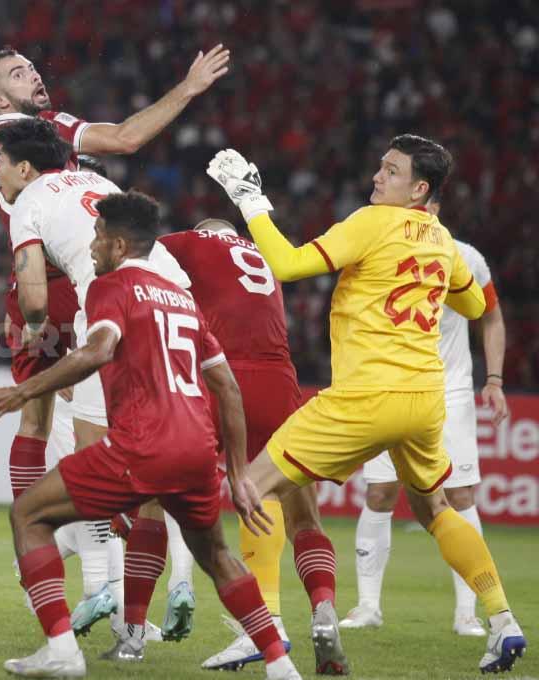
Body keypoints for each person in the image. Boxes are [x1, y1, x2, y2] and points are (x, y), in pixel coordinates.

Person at [205, 135, 526, 674]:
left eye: (392, 171)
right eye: (380, 167)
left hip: (365, 396)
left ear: (419, 188)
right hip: (424, 402)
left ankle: (262, 632)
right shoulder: (444, 241)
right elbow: (475, 304)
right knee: (435, 509)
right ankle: (502, 621)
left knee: (251, 490)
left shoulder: (369, 222)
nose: (378, 177)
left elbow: (285, 264)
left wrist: (249, 199)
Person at [0, 43, 228, 639]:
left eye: (34, 66)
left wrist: (2, 210)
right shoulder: (51, 133)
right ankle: (163, 578)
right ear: (0, 98)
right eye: (21, 73)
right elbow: (128, 138)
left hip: (45, 293)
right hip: (92, 288)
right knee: (133, 441)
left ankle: (70, 576)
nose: (37, 75)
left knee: (55, 438)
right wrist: (186, 89)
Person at [0, 191, 301, 680]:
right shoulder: (183, 298)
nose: (93, 246)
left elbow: (99, 349)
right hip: (196, 450)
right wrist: (235, 473)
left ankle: (61, 650)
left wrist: (26, 392)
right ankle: (281, 664)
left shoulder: (111, 286)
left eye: (99, 237)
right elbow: (227, 388)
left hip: (143, 444)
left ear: (120, 245)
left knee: (28, 514)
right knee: (219, 556)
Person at [0, 120, 194, 656]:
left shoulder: (27, 201)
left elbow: (34, 297)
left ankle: (80, 622)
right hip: (178, 301)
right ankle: (133, 631)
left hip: (114, 303)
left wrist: (35, 332)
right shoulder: (97, 183)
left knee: (94, 473)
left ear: (23, 167)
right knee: (152, 480)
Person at [340, 198, 510, 636]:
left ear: (433, 203)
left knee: (460, 496)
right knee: (379, 491)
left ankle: (467, 614)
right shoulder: (380, 245)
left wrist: (494, 380)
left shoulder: (464, 256)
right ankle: (367, 607)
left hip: (448, 391)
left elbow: (491, 317)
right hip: (389, 385)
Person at [156, 218, 305, 669]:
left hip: (225, 373)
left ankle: (176, 585)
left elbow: (135, 247)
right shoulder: (262, 251)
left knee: (169, 480)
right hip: (280, 376)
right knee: (271, 490)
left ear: (205, 230)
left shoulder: (192, 242)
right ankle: (277, 618)